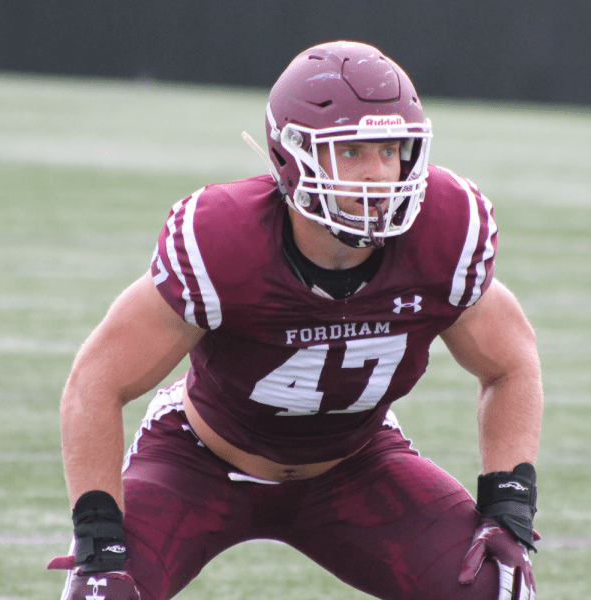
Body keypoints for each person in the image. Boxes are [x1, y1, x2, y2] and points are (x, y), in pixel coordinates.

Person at [48, 40, 543, 600]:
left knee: (493, 585)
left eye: (389, 150)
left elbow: (511, 363)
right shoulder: (223, 241)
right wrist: (98, 540)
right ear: (292, 156)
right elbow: (96, 380)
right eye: (352, 153)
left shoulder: (446, 231)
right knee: (104, 594)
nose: (379, 176)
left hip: (355, 464)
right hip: (201, 461)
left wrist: (508, 503)